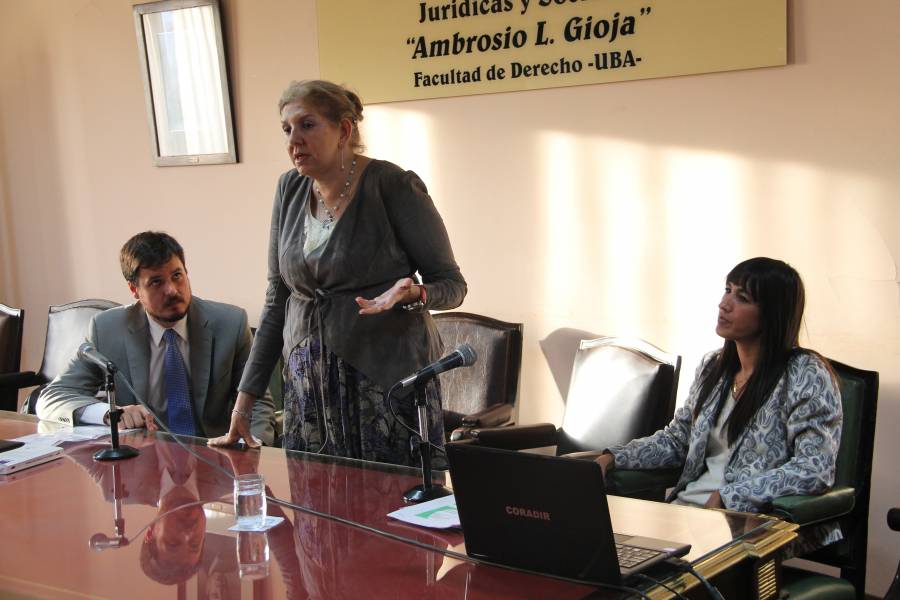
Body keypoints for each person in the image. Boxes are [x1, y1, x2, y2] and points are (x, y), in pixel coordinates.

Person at [209, 80, 466, 465]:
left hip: (383, 389)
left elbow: (452, 285)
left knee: (390, 513)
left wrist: (414, 293)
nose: (294, 140)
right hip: (308, 394)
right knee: (316, 515)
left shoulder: (393, 185)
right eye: (287, 129)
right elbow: (276, 298)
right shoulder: (289, 189)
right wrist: (242, 409)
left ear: (344, 129)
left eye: (307, 125)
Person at [595, 257, 843, 551]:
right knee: (600, 554)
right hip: (686, 516)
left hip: (746, 527)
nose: (724, 304)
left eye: (742, 298)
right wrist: (612, 457)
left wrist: (732, 496)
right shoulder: (714, 366)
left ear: (772, 314)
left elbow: (815, 467)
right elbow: (677, 441)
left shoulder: (805, 372)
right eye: (727, 290)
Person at [37, 231, 276, 444]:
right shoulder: (107, 329)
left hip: (214, 460)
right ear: (134, 290)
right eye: (156, 282)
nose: (172, 290)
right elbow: (53, 397)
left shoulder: (230, 323)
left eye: (177, 276)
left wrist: (250, 447)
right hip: (142, 468)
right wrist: (111, 413)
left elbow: (259, 402)